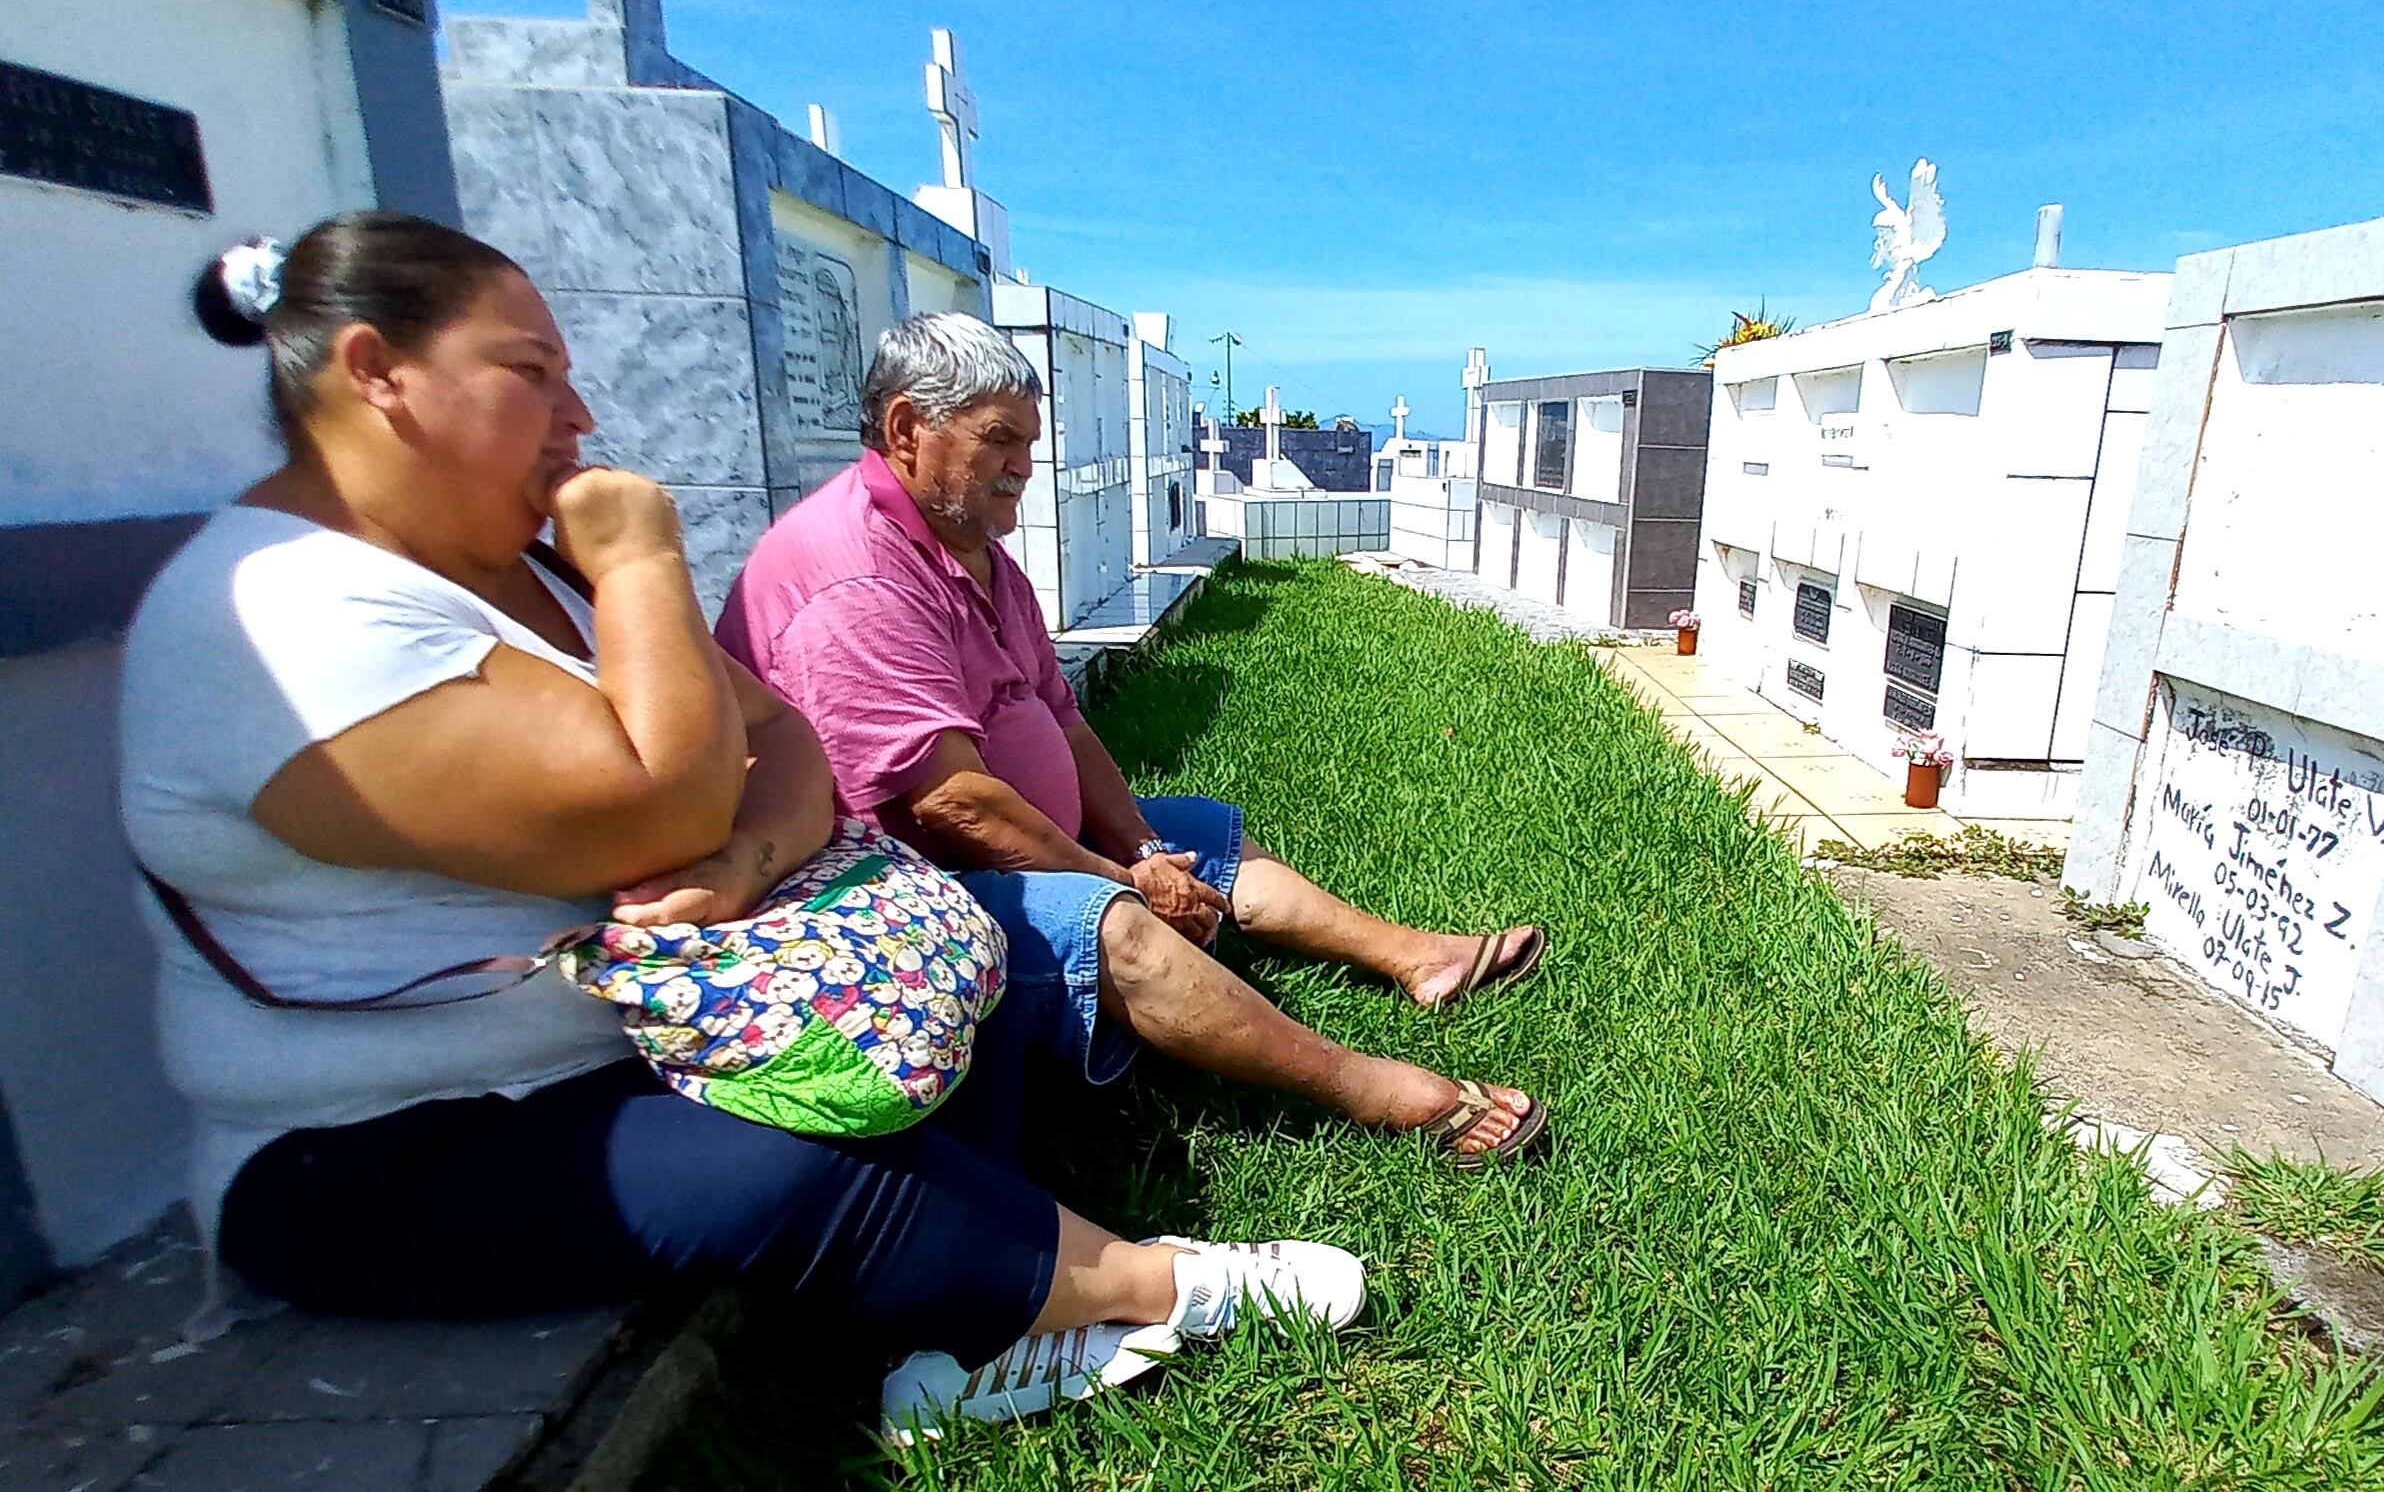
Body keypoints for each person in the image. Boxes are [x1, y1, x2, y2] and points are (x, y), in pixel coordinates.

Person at [122, 213, 1359, 1435]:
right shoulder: (286, 613)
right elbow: (652, 806)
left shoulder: (514, 573)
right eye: (530, 371)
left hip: (642, 1036)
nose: (578, 415)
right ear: (375, 374)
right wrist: (643, 564)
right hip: (385, 1147)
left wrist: (745, 859)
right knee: (796, 1175)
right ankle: (1168, 1286)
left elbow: (785, 751)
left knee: (917, 1006)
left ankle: (958, 1339)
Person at [715, 312, 1550, 1167]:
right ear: (905, 430)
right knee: (1109, 920)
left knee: (1197, 830)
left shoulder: (971, 550)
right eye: (1000, 440)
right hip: (908, 891)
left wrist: (1145, 846)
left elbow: (1061, 715)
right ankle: (1372, 1087)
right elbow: (951, 802)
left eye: (1028, 444)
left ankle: (1415, 957)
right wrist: (1127, 880)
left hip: (1022, 841)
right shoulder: (855, 575)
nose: (1023, 469)